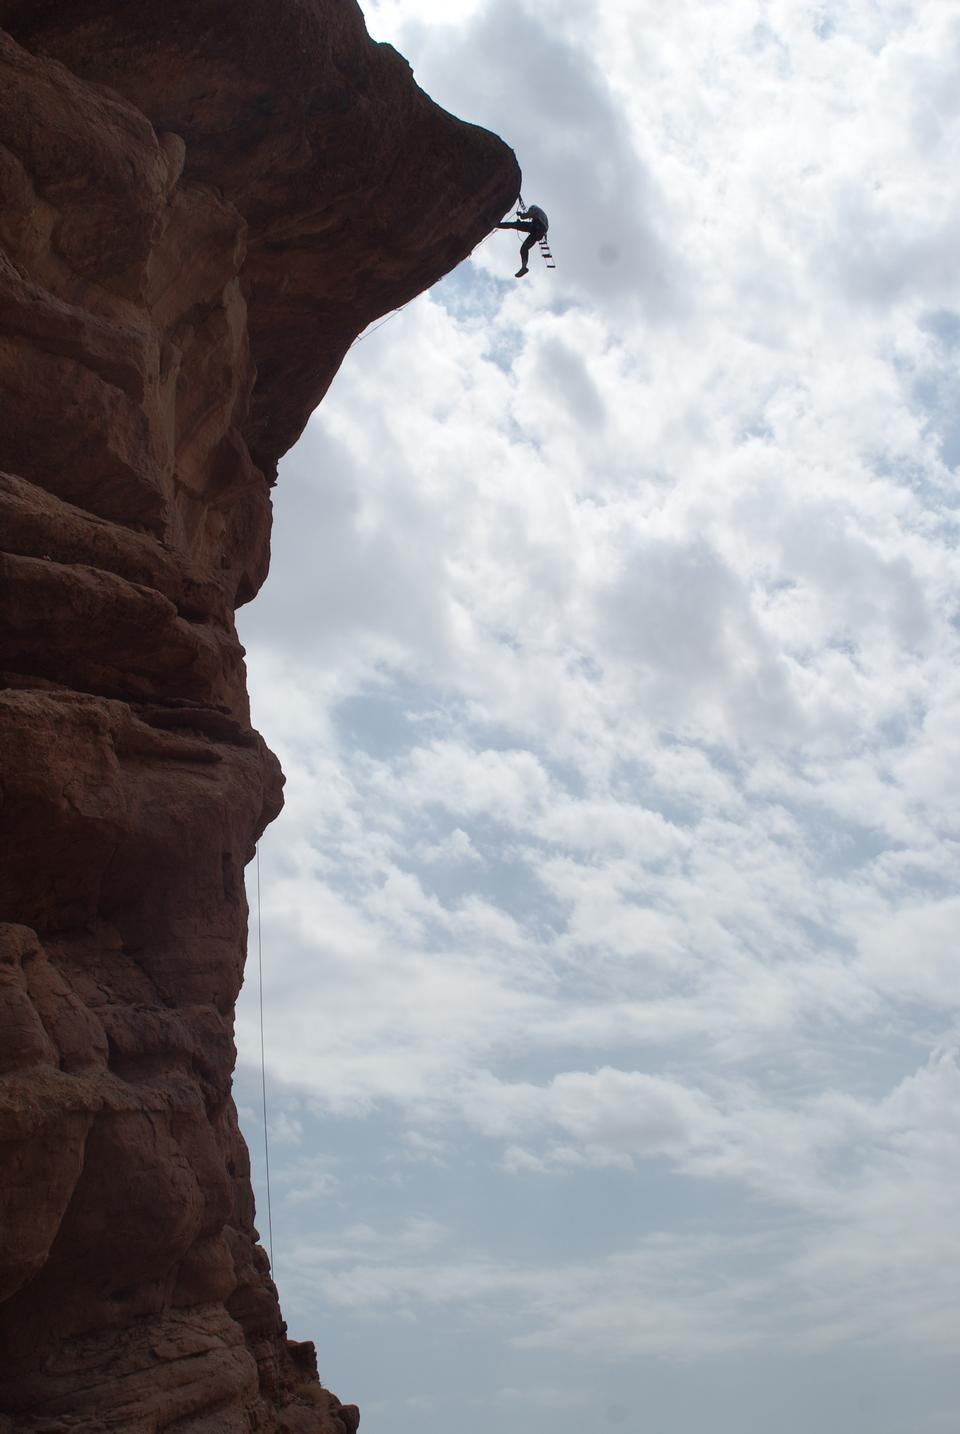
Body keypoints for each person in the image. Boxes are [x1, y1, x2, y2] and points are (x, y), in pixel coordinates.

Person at [497, 204, 549, 277]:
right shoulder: (543, 216)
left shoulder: (535, 209)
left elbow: (526, 216)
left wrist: (521, 215)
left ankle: (497, 225)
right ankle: (524, 267)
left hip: (536, 227)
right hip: (538, 233)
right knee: (524, 248)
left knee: (514, 225)